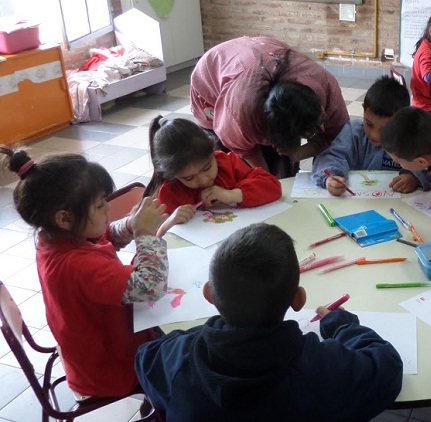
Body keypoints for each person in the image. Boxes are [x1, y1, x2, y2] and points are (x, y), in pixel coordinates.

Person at [135, 223, 403, 421]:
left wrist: (205, 334)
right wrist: (342, 326)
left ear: (209, 295)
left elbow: (145, 358)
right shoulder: (321, 367)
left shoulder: (179, 358)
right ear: (298, 299)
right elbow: (388, 368)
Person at [0, 147, 169, 398]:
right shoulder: (76, 265)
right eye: (100, 206)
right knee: (188, 351)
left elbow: (102, 238)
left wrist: (131, 226)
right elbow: (150, 287)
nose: (108, 211)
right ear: (64, 219)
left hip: (95, 351)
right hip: (112, 369)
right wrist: (145, 235)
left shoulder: (56, 239)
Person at [190, 36, 349, 178]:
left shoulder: (325, 86)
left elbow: (336, 140)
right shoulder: (239, 112)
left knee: (285, 167)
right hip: (211, 78)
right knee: (234, 173)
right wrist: (267, 182)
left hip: (256, 55)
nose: (322, 127)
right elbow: (247, 153)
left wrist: (295, 154)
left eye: (321, 119)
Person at [145, 116, 282, 236]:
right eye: (189, 178)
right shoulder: (170, 192)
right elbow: (151, 242)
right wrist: (169, 222)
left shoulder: (227, 163)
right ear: (173, 176)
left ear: (213, 152)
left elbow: (273, 186)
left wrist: (232, 194)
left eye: (207, 168)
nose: (203, 179)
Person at [311, 76, 431, 196]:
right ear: (363, 109)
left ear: (402, 121)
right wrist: (331, 177)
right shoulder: (353, 131)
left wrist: (415, 178)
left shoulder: (411, 137)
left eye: (385, 129)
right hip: (358, 202)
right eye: (369, 123)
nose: (375, 135)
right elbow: (333, 155)